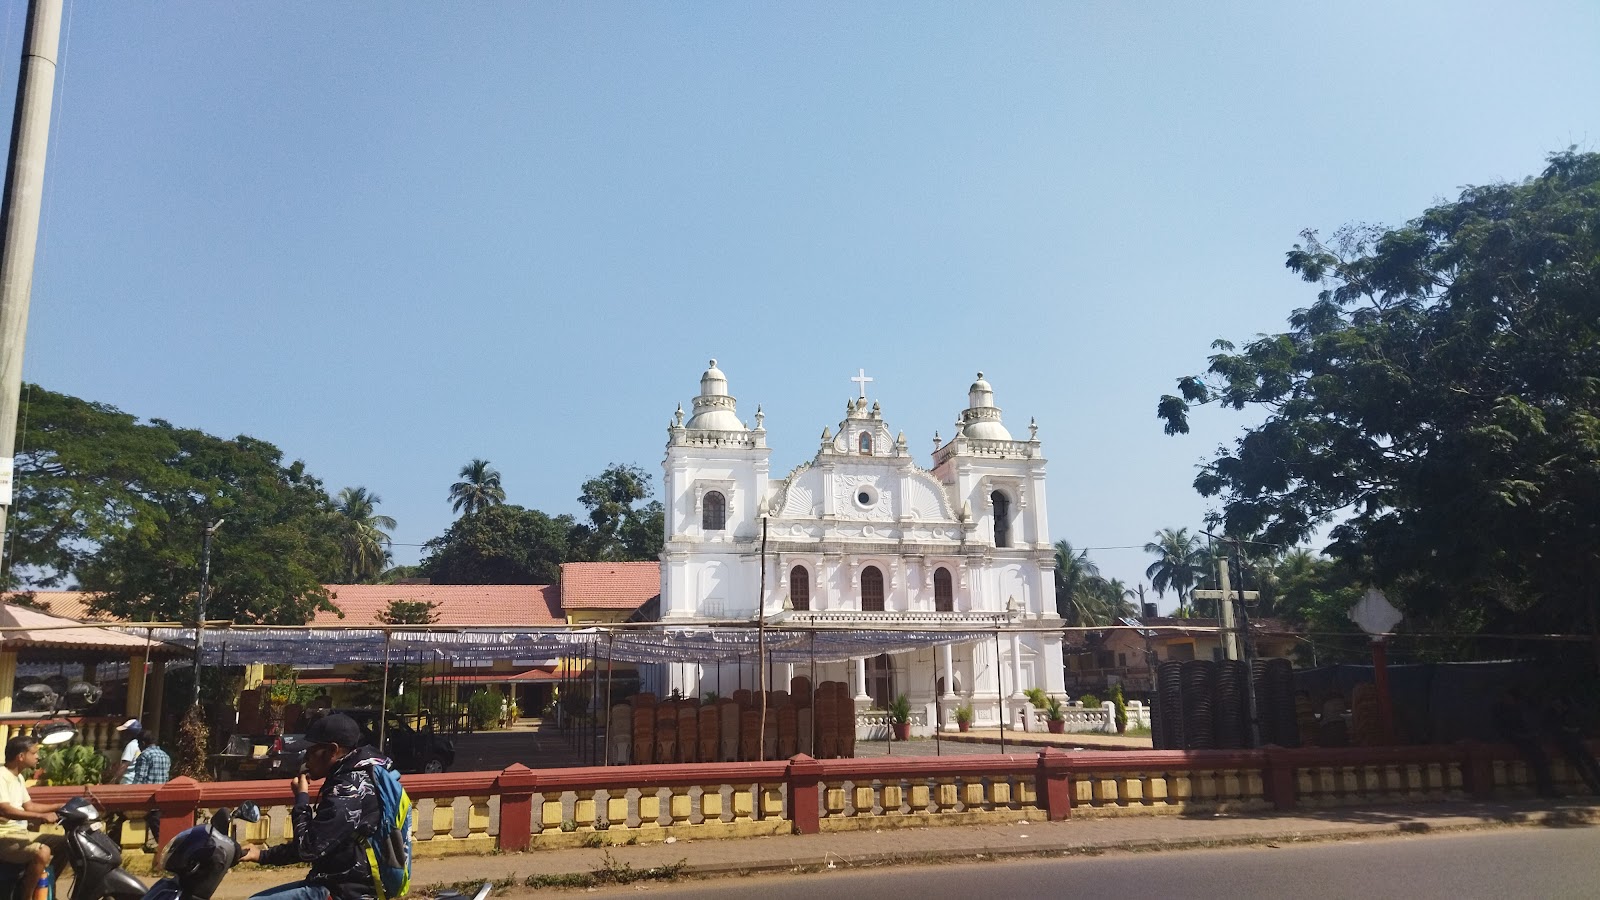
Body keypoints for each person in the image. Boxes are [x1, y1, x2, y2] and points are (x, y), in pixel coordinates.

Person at [241, 713, 390, 900]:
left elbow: (307, 848)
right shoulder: (361, 776)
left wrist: (302, 798)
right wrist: (262, 856)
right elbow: (320, 840)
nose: (306, 759)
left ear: (332, 750)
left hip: (345, 891)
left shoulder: (347, 790)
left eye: (311, 752)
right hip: (343, 884)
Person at [0, 737, 67, 891]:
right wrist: (41, 816)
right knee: (43, 852)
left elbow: (29, 806)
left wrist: (58, 806)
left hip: (20, 834)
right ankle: (27, 896)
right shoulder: (1, 776)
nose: (38, 756)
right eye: (34, 753)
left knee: (67, 843)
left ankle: (47, 884)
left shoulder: (19, 777)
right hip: (3, 836)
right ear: (21, 756)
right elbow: (5, 810)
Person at [1492, 686, 1557, 797]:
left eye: (1508, 697)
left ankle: (1547, 789)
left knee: (1541, 761)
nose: (1506, 699)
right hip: (1517, 740)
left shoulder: (1519, 710)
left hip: (1525, 739)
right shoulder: (1503, 711)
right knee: (1539, 760)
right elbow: (1506, 730)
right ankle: (1546, 789)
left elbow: (1527, 726)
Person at [1542, 696, 1600, 795]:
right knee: (1580, 765)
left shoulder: (1571, 713)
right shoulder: (1551, 714)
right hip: (1565, 743)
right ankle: (1594, 787)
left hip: (1575, 741)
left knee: (1591, 761)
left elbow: (1578, 726)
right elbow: (1555, 730)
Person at [127, 729, 171, 853]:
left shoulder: (145, 756)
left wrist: (130, 795)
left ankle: (164, 852)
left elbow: (140, 778)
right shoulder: (165, 755)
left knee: (152, 826)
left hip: (148, 798)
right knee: (157, 825)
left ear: (143, 743)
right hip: (161, 796)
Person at [104, 718, 142, 785]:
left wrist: (113, 781)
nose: (122, 734)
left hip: (127, 782)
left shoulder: (130, 746)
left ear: (129, 733)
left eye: (124, 732)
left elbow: (124, 766)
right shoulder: (137, 744)